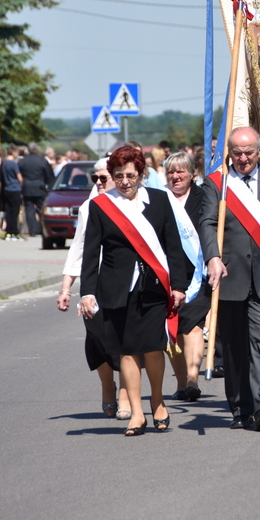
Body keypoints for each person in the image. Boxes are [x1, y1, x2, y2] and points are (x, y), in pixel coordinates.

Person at [79, 146, 188, 436]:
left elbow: (173, 245)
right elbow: (90, 254)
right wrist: (86, 292)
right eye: (118, 176)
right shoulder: (101, 206)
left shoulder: (160, 201)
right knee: (126, 350)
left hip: (153, 287)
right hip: (115, 288)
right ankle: (137, 413)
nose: (125, 181)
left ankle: (158, 399)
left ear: (141, 174)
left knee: (152, 346)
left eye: (130, 175)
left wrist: (178, 285)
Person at [200, 127, 260, 432]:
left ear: (259, 151)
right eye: (237, 153)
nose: (243, 159)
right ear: (229, 152)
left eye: (249, 152)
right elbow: (207, 222)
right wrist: (212, 257)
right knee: (233, 348)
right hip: (231, 278)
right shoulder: (217, 183)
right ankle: (239, 407)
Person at [56, 159, 129, 420]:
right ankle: (106, 385)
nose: (99, 183)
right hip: (93, 284)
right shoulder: (89, 207)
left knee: (123, 337)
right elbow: (78, 248)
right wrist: (66, 288)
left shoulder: (133, 205)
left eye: (104, 177)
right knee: (98, 337)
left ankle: (124, 392)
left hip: (124, 282)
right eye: (95, 178)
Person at [163, 152, 211, 403]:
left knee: (193, 324)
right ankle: (181, 383)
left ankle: (193, 379)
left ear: (192, 174)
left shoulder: (204, 198)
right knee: (173, 328)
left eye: (180, 171)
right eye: (171, 172)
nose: (175, 176)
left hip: (198, 273)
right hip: (168, 275)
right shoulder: (158, 200)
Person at [19, 143, 55, 237]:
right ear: (37, 149)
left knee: (29, 210)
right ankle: (42, 229)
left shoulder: (23, 161)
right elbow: (49, 175)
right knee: (41, 209)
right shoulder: (42, 161)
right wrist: (50, 187)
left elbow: (19, 174)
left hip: (27, 187)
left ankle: (32, 230)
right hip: (40, 187)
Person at [0, 145, 24, 240]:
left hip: (6, 189)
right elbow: (20, 178)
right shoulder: (13, 164)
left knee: (8, 211)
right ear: (13, 153)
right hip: (15, 189)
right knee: (15, 212)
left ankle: (8, 232)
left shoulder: (3, 163)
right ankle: (14, 232)